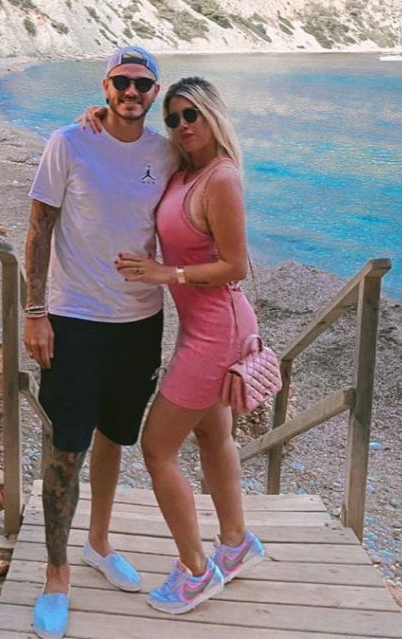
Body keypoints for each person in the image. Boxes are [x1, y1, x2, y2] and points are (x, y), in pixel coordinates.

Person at [23, 45, 176, 639]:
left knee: (115, 437)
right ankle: (56, 573)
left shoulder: (165, 153)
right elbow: (40, 225)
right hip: (75, 319)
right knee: (66, 446)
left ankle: (99, 543)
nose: (131, 91)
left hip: (140, 322)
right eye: (121, 81)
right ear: (105, 86)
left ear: (154, 92)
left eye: (142, 83)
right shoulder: (68, 141)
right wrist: (36, 312)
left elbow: (208, 178)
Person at [112, 75, 266, 614]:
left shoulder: (221, 177)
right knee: (212, 433)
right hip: (201, 325)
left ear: (211, 115)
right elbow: (131, 147)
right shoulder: (184, 172)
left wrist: (165, 273)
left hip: (218, 329)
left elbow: (235, 265)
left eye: (190, 114)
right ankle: (236, 543)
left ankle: (196, 571)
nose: (181, 125)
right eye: (173, 118)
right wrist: (96, 118)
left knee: (157, 448)